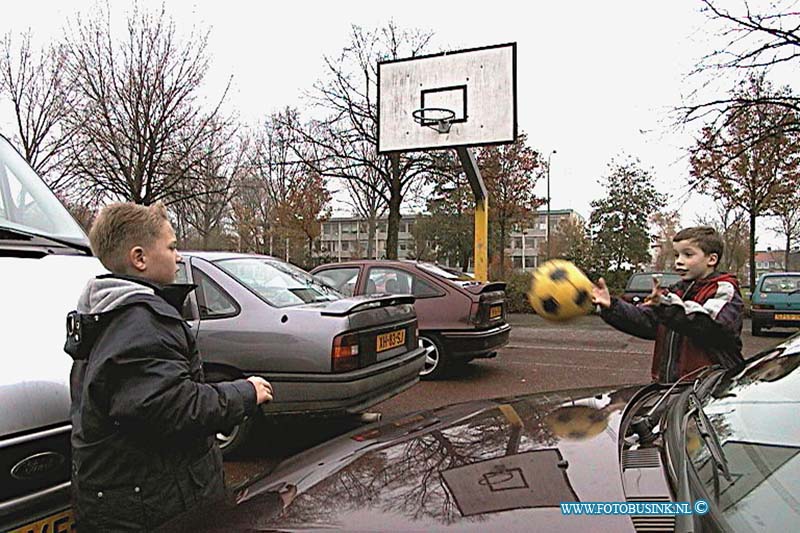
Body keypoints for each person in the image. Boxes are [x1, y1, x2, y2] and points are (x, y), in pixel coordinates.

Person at [64, 202, 274, 532]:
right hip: (147, 510)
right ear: (139, 258)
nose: (179, 256)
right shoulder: (140, 323)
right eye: (172, 246)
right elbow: (171, 407)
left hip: (135, 498)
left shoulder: (111, 314)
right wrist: (245, 392)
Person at [592, 226, 744, 383]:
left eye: (688, 255)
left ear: (711, 259)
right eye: (677, 255)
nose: (679, 261)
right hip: (671, 388)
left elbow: (708, 323)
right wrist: (611, 306)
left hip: (711, 390)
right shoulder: (676, 291)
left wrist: (666, 307)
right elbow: (647, 321)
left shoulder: (724, 288)